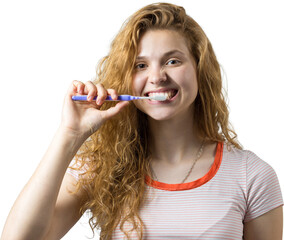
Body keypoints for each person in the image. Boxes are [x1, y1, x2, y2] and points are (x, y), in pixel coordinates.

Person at [1, 2, 283, 240]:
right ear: (126, 78)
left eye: (173, 61)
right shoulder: (101, 166)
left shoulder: (252, 176)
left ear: (200, 70)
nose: (157, 76)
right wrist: (70, 134)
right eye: (141, 65)